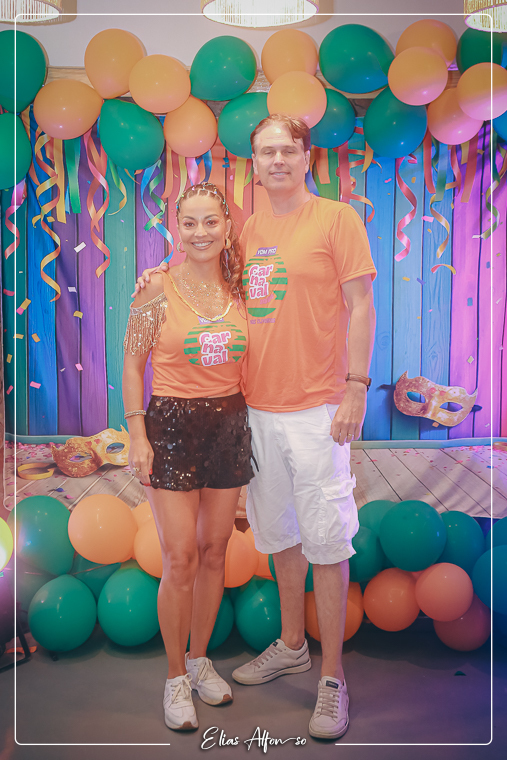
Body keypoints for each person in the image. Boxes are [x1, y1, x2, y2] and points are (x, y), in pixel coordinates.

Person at [136, 114, 376, 741]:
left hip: (319, 408)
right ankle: (292, 644)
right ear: (254, 162)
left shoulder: (337, 220)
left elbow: (361, 305)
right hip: (255, 412)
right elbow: (202, 267)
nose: (277, 160)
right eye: (266, 151)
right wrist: (155, 276)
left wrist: (356, 387)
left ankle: (332, 680)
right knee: (281, 536)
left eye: (287, 149)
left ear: (306, 156)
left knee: (327, 543)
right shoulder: (249, 230)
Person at [123, 182, 253, 732]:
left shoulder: (243, 287)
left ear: (227, 226)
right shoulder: (156, 288)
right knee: (179, 558)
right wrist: (138, 436)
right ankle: (175, 677)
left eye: (210, 221)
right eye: (190, 223)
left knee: (214, 551)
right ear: (177, 229)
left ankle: (200, 661)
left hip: (229, 424)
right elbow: (132, 366)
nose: (200, 232)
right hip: (171, 426)